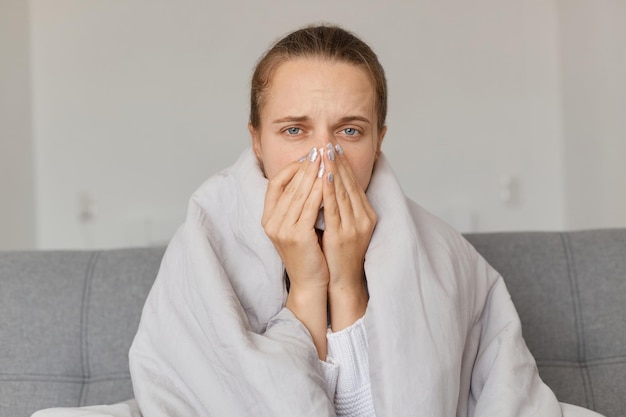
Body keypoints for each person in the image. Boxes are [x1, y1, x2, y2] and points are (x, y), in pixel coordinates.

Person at [33, 24, 604, 417]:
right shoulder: (206, 233)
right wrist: (306, 282)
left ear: (380, 140)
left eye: (349, 131)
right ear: (255, 141)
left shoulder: (441, 251)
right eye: (294, 130)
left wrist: (347, 279)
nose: (322, 156)